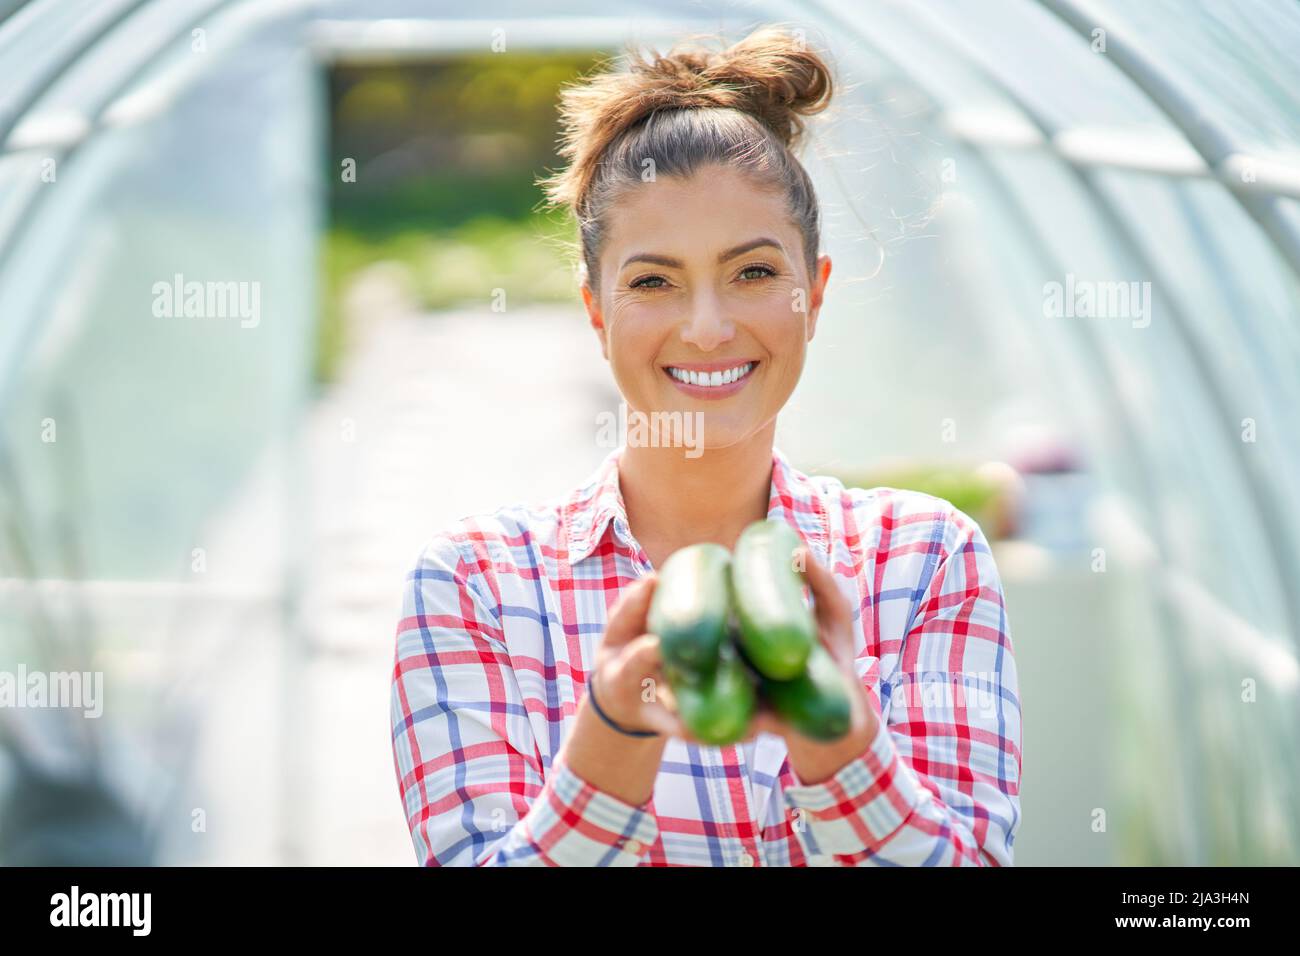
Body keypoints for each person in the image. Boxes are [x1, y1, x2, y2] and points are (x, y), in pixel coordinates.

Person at [390, 25, 1022, 866]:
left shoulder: (926, 559)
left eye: (754, 273)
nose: (708, 327)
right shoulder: (474, 585)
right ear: (596, 311)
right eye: (653, 282)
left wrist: (837, 737)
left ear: (815, 293)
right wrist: (611, 737)